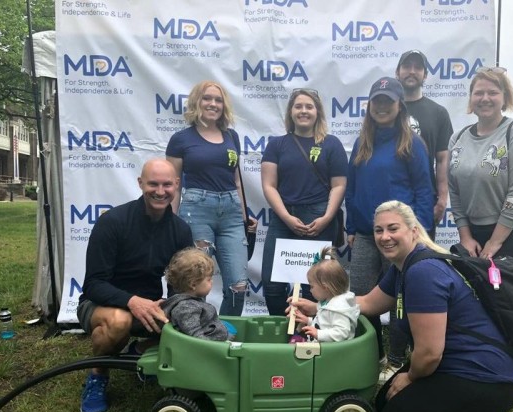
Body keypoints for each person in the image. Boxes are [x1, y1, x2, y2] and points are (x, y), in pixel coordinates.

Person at [292, 201, 513, 412]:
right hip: (453, 366)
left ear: (413, 231)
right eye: (378, 230)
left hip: (486, 379)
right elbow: (367, 303)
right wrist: (320, 307)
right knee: (382, 406)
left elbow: (430, 354)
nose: (384, 237)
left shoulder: (423, 272)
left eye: (392, 228)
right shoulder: (403, 266)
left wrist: (409, 377)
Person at [77, 159, 194, 412]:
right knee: (119, 321)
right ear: (141, 183)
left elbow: (181, 286)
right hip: (101, 305)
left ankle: (139, 351)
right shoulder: (113, 222)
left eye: (167, 184)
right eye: (153, 183)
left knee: (189, 324)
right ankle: (98, 376)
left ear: (176, 185)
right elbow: (94, 284)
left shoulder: (181, 230)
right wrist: (132, 301)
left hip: (148, 306)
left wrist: (177, 308)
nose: (160, 191)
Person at [345, 76, 434, 380]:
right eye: (376, 101)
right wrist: (351, 226)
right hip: (367, 234)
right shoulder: (362, 142)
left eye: (388, 101)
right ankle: (369, 356)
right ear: (369, 106)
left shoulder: (411, 142)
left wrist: (418, 232)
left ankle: (395, 360)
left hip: (399, 236)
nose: (382, 107)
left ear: (399, 106)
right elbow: (352, 188)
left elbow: (424, 189)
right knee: (358, 294)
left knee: (399, 300)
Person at [166, 80, 257, 317]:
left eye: (218, 100)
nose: (212, 104)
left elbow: (237, 181)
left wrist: (245, 216)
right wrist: (170, 221)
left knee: (239, 285)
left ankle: (225, 332)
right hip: (196, 210)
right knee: (195, 282)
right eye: (207, 98)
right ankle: (195, 331)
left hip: (231, 213)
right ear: (197, 101)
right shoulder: (181, 139)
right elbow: (173, 184)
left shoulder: (232, 137)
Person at [261, 88, 348, 316]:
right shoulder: (276, 145)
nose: (303, 111)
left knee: (316, 286)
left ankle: (306, 333)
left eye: (309, 106)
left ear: (317, 111)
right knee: (272, 285)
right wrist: (287, 218)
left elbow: (339, 185)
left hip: (319, 219)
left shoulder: (332, 144)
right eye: (298, 106)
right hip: (284, 219)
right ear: (291, 112)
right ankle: (281, 331)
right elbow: (269, 185)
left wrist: (327, 218)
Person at [448, 67, 513, 267]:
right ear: (471, 98)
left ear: (505, 97)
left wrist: (495, 242)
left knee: (504, 292)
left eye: (492, 92)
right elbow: (455, 193)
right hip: (477, 230)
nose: (485, 98)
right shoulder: (457, 138)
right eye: (479, 93)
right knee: (485, 292)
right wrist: (465, 237)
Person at [396, 49, 454, 238]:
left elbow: (443, 159)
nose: (412, 71)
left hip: (423, 201)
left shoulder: (438, 113)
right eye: (406, 66)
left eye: (418, 67)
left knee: (419, 259)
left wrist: (442, 198)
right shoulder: (384, 109)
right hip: (389, 197)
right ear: (397, 72)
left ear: (425, 75)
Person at [293, 246, 359, 342]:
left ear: (325, 287)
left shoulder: (338, 307)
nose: (310, 290)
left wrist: (318, 333)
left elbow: (342, 333)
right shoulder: (327, 302)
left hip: (332, 354)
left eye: (312, 286)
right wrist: (308, 321)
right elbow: (324, 324)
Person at [161, 247, 229, 341]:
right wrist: (215, 348)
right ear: (193, 284)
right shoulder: (186, 307)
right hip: (205, 352)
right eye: (209, 279)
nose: (212, 282)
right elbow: (196, 338)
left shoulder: (192, 302)